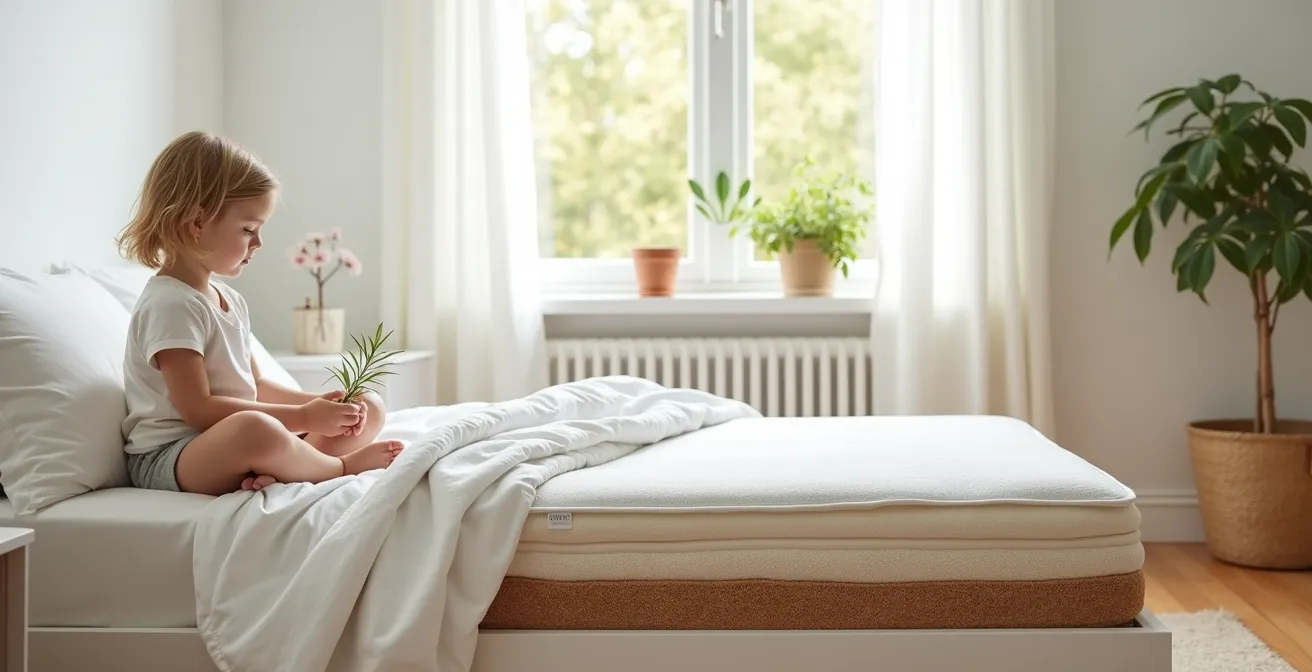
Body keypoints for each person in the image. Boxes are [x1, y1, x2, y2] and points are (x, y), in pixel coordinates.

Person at [115, 131, 403, 496]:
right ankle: (337, 468)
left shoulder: (229, 300)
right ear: (197, 224)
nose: (259, 243)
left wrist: (319, 404)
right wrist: (303, 418)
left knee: (367, 406)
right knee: (256, 430)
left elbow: (256, 387)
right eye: (249, 229)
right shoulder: (170, 303)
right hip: (174, 457)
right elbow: (198, 410)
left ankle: (289, 468)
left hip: (229, 443)